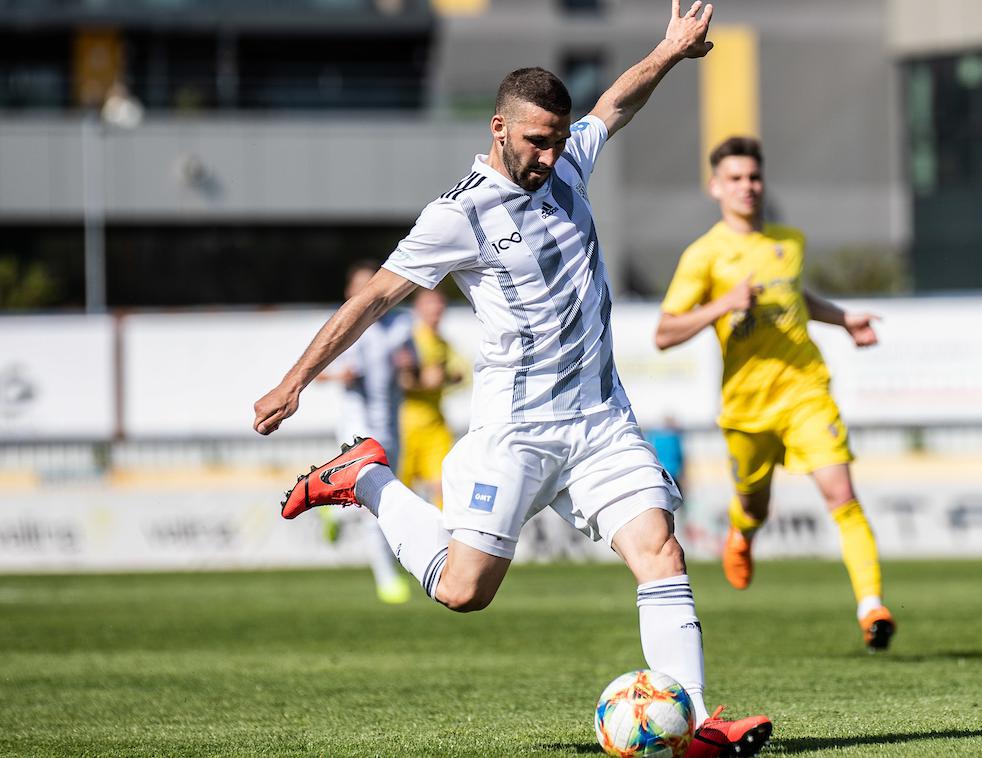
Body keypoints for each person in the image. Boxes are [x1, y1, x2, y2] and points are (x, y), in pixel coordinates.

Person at [252, 4, 772, 755]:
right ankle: (364, 479)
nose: (552, 155)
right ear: (498, 129)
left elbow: (614, 104)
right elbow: (373, 298)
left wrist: (668, 50)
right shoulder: (456, 216)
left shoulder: (569, 161)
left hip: (599, 421)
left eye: (559, 141)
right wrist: (297, 377)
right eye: (537, 140)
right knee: (465, 591)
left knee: (660, 550)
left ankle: (691, 724)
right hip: (516, 429)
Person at [654, 135, 897, 651]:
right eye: (736, 178)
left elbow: (795, 295)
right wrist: (724, 304)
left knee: (842, 496)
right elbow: (665, 332)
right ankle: (742, 533)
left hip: (807, 390)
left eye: (754, 177)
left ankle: (871, 606)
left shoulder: (789, 241)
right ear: (716, 186)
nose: (748, 187)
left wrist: (842, 318)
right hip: (746, 408)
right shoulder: (704, 255)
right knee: (755, 505)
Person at [314, 260, 417, 604]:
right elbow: (319, 373)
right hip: (356, 425)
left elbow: (412, 376)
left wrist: (409, 367)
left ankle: (334, 507)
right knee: (379, 498)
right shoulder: (343, 326)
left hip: (391, 423)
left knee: (384, 494)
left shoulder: (401, 324)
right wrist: (340, 376)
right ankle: (386, 578)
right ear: (349, 293)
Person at [399, 288, 466, 508]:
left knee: (444, 487)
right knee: (399, 491)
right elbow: (400, 377)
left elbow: (461, 374)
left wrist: (443, 377)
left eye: (439, 304)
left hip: (436, 427)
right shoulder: (409, 340)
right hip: (405, 428)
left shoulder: (443, 343)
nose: (436, 309)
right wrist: (421, 379)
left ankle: (444, 540)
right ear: (418, 308)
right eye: (430, 304)